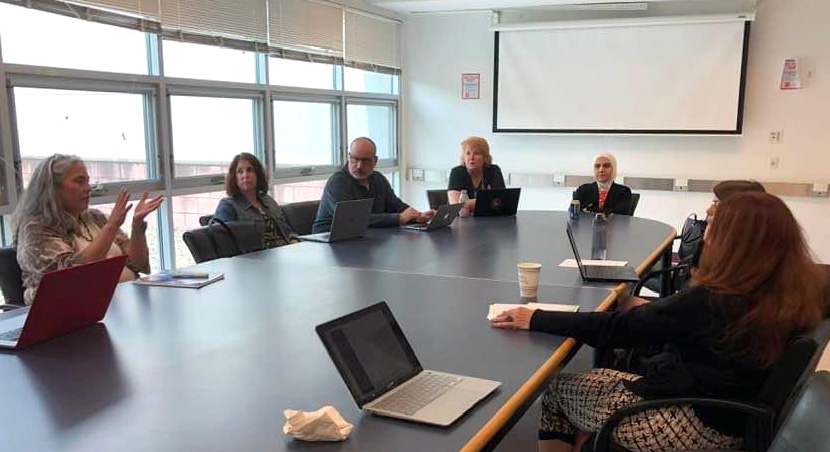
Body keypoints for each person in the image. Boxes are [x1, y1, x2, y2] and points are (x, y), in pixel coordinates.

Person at [491, 191, 827, 452]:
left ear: (734, 243)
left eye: (714, 227)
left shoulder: (712, 299)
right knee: (594, 382)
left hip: (689, 422)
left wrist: (534, 317)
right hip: (733, 417)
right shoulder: (790, 291)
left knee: (557, 392)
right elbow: (674, 321)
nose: (706, 232)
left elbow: (616, 331)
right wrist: (637, 304)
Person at [14, 154, 164, 306]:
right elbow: (74, 278)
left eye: (87, 181)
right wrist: (111, 226)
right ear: (53, 187)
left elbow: (137, 265)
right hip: (68, 312)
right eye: (79, 182)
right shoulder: (36, 228)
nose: (88, 189)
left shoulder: (95, 217)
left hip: (120, 302)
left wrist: (137, 225)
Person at [312, 137, 433, 233]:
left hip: (365, 237)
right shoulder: (337, 182)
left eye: (365, 161)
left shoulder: (378, 179)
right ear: (349, 157)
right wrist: (399, 218)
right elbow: (354, 219)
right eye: (354, 159)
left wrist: (417, 215)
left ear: (375, 161)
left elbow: (395, 205)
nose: (359, 166)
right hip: (329, 239)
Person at [214, 153, 299, 248]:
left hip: (284, 252)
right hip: (255, 258)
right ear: (234, 177)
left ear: (258, 174)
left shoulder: (268, 200)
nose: (245, 175)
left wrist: (295, 243)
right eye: (240, 172)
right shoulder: (228, 205)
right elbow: (223, 244)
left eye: (250, 170)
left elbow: (287, 231)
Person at [447, 137, 505, 215]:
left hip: (488, 221)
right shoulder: (457, 172)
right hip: (460, 221)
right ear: (463, 157)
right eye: (468, 153)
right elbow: (456, 207)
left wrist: (467, 203)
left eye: (476, 153)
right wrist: (488, 201)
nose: (471, 157)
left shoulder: (494, 170)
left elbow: (501, 201)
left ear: (485, 157)